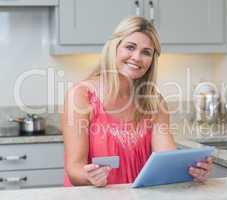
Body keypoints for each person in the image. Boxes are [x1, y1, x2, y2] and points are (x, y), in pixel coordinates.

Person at [61, 16, 213, 187]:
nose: (137, 57)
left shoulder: (154, 102)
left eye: (146, 52)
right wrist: (89, 177)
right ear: (114, 48)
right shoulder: (81, 96)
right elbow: (74, 169)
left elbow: (166, 160)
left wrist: (192, 170)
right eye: (130, 47)